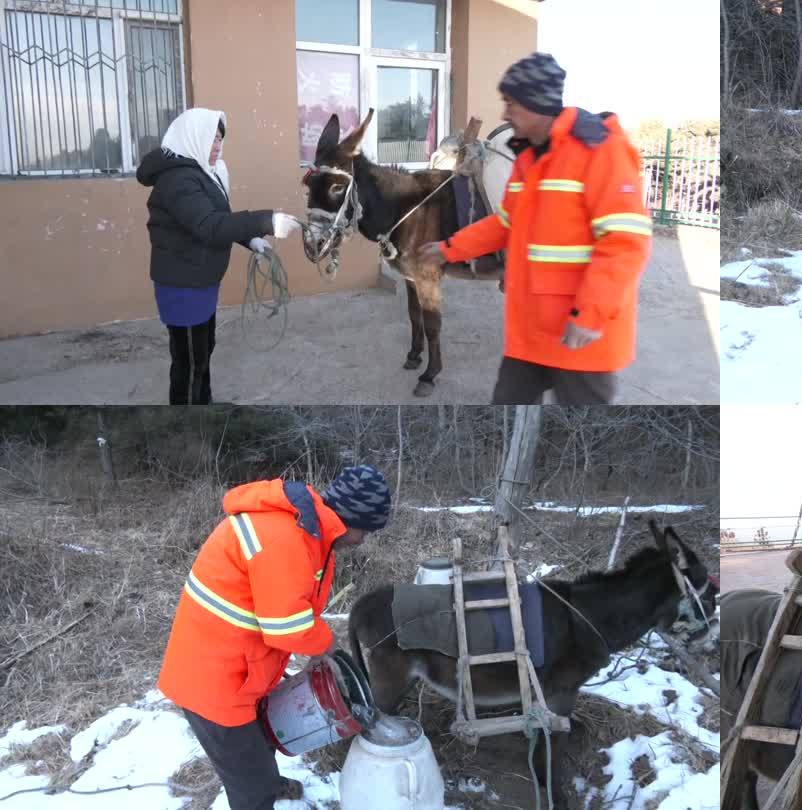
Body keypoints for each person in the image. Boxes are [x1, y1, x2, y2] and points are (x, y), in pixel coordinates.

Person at [418, 52, 653, 405]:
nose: (504, 114)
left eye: (511, 103)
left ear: (536, 103)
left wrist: (590, 315)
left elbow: (625, 244)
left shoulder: (601, 152)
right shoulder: (530, 159)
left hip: (581, 338)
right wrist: (449, 248)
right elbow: (505, 224)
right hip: (531, 335)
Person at [156, 465, 390, 810]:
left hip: (238, 666)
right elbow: (287, 628)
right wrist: (327, 645)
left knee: (262, 736)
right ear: (350, 520)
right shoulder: (286, 539)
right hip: (212, 683)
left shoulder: (311, 535)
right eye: (365, 532)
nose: (362, 541)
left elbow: (292, 605)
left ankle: (265, 778)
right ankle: (260, 789)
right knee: (250, 788)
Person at [137, 108, 304, 404]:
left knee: (204, 349)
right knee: (189, 361)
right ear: (194, 137)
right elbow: (209, 226)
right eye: (212, 139)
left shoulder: (201, 173)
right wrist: (267, 222)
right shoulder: (178, 180)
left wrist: (252, 240)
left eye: (220, 140)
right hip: (183, 287)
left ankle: (205, 403)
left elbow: (219, 218)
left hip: (200, 281)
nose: (217, 146)